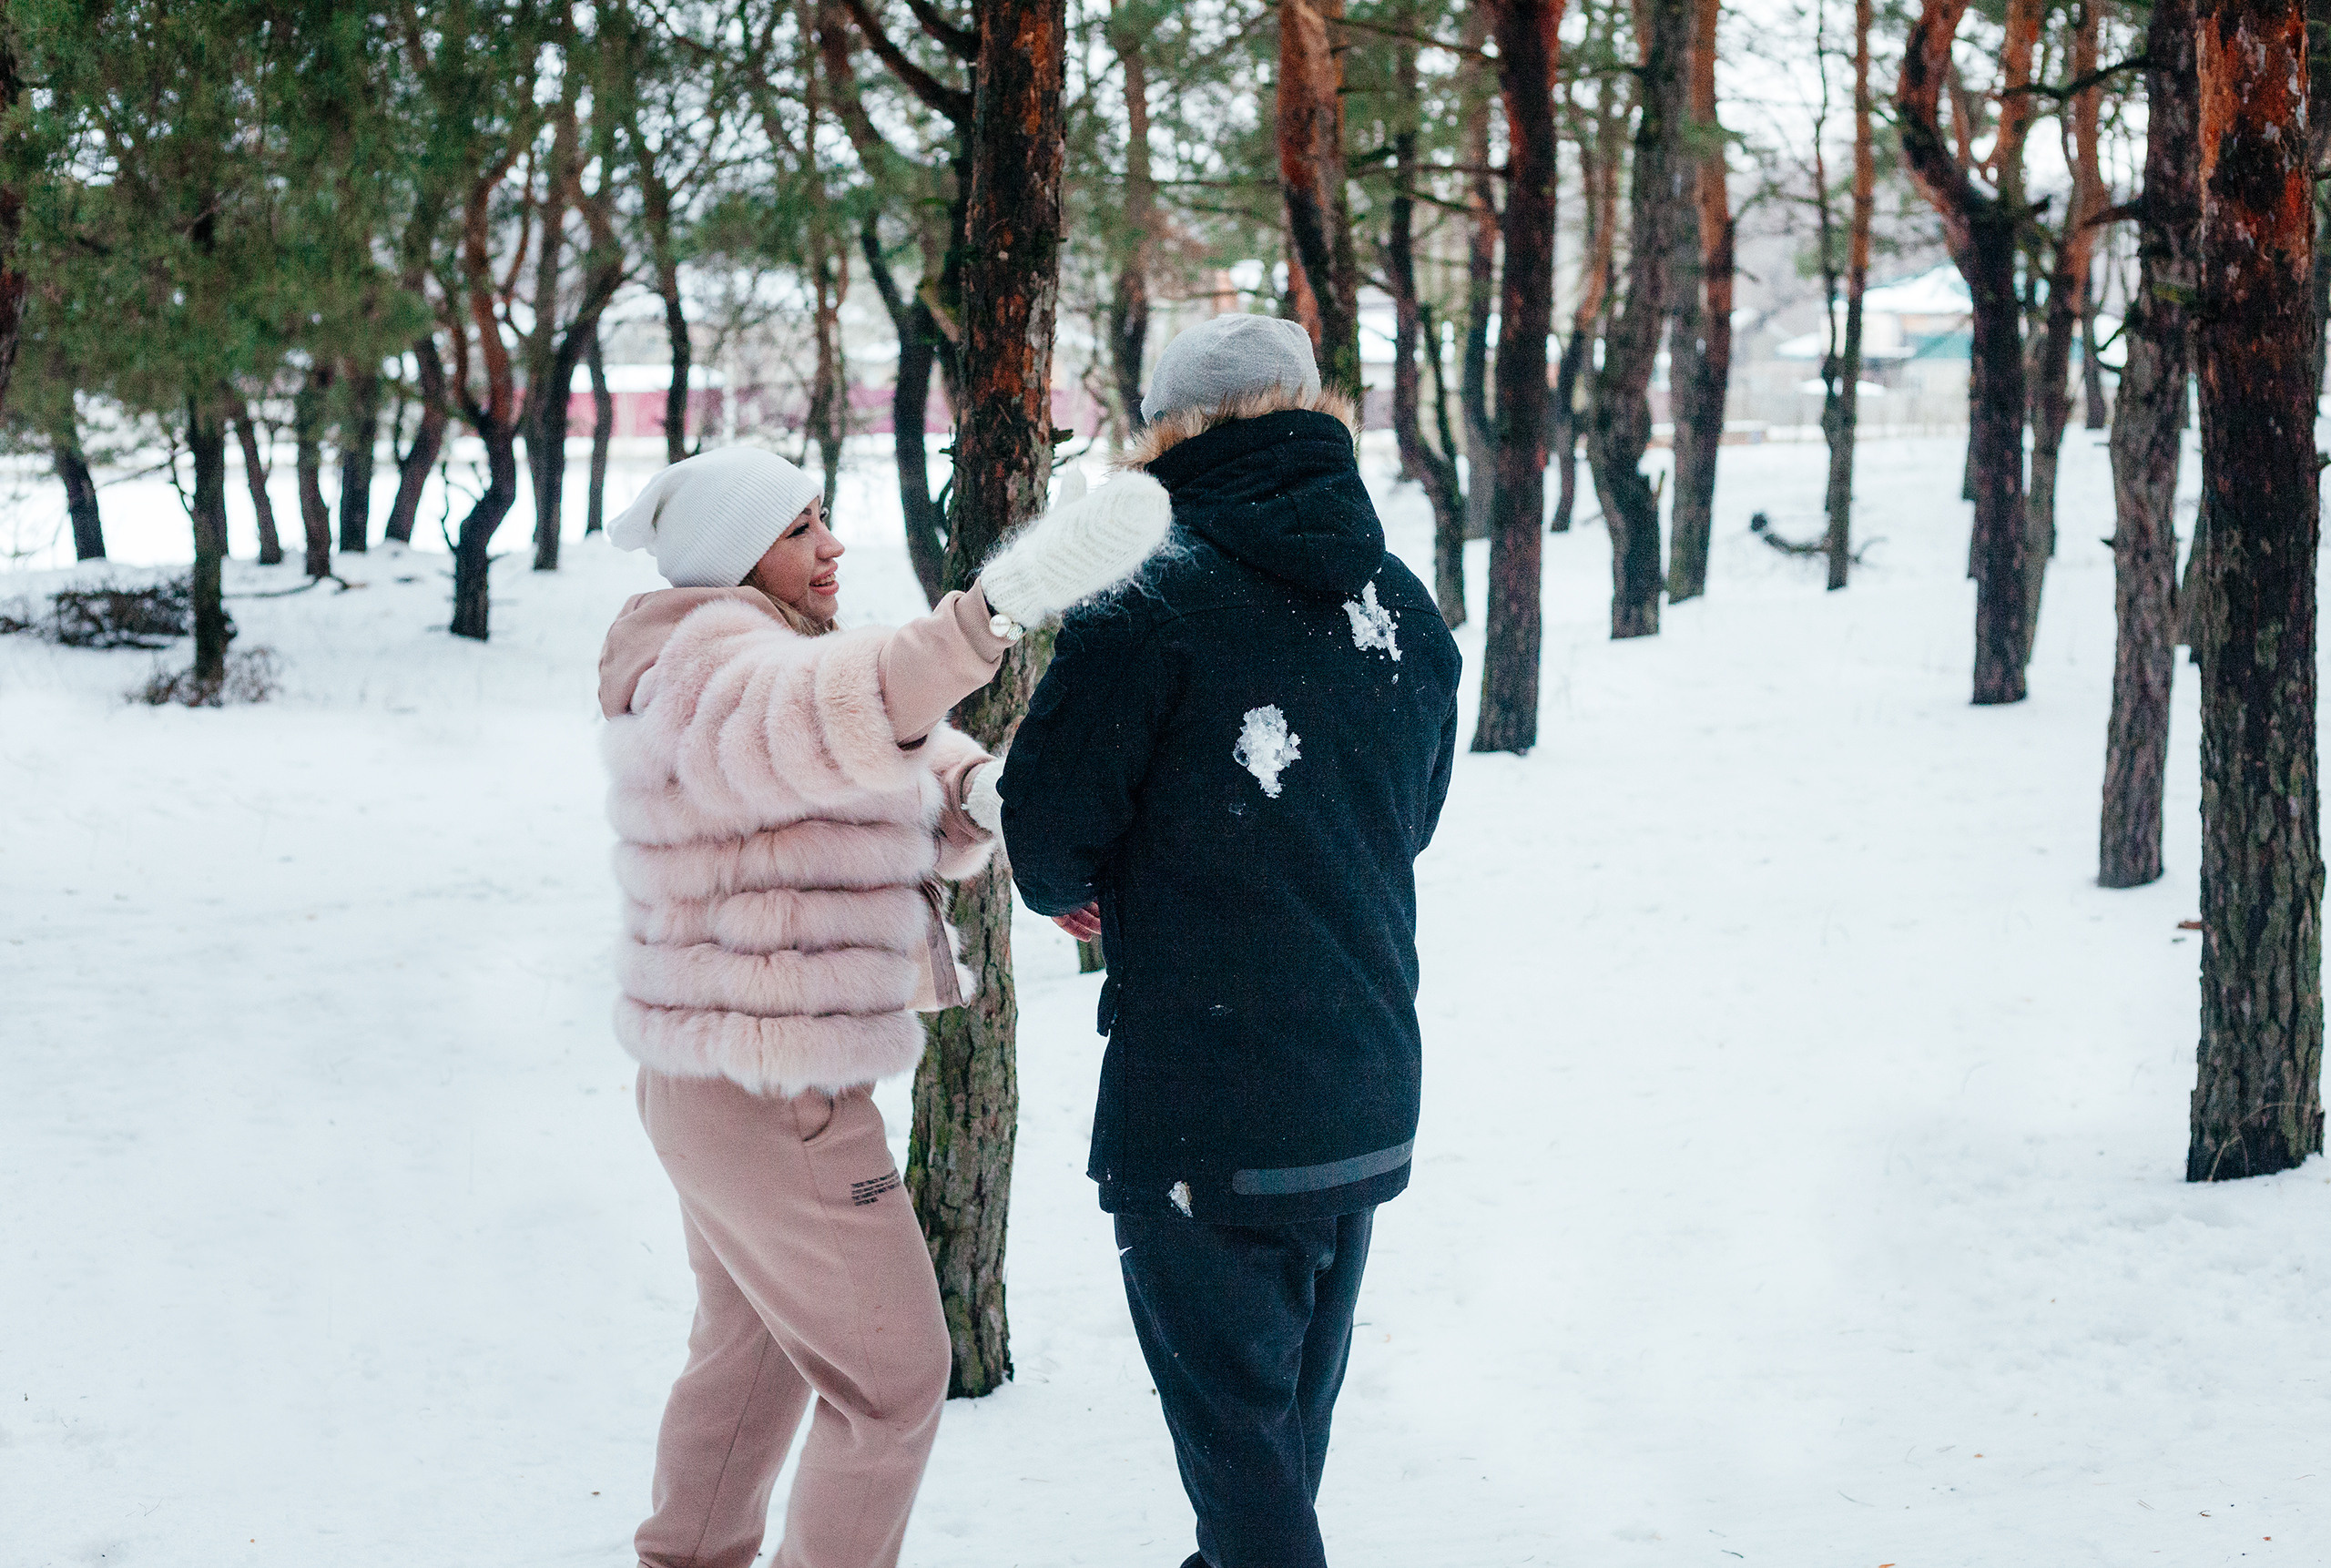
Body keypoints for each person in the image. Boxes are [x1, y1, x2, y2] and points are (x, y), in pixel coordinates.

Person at [599, 444, 1169, 1568]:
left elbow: (867, 749)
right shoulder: (713, 666)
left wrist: (981, 795)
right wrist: (988, 615)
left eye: (824, 518)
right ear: (733, 557)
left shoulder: (732, 663)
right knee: (898, 1381)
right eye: (800, 527)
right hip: (778, 1094)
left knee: (751, 1352)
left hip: (715, 1081)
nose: (832, 545)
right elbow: (832, 707)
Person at [998, 313, 1463, 1568]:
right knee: (1269, 1457)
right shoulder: (1398, 600)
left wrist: (1070, 885)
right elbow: (1409, 814)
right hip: (1364, 1086)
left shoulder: (1152, 588)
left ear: (1166, 433)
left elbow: (1045, 823)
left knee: (1246, 1473)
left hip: (1208, 1102)